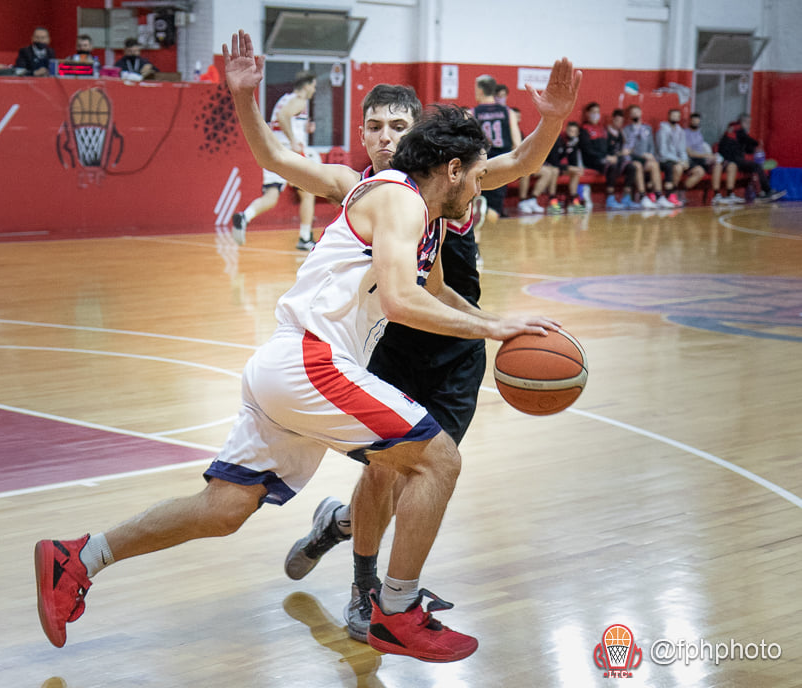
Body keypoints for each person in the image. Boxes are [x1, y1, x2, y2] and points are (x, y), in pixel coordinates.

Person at [36, 97, 564, 662]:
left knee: (223, 509)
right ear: (454, 169)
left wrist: (499, 326)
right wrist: (494, 328)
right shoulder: (399, 197)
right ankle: (397, 610)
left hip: (286, 369)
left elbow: (431, 290)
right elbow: (400, 298)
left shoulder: (423, 219)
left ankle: (79, 557)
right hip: (311, 364)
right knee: (438, 460)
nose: (484, 183)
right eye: (479, 173)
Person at [219, 30, 581, 643]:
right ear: (363, 135)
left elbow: (520, 165)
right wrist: (246, 101)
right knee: (391, 470)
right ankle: (371, 589)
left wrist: (548, 121)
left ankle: (341, 531)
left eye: (398, 126)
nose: (386, 138)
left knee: (425, 471)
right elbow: (277, 162)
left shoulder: (453, 181)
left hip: (453, 343)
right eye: (375, 126)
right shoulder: (358, 186)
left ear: (421, 137)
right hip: (385, 339)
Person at [231, 70, 319, 251]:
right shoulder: (299, 100)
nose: (314, 90)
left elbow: (282, 119)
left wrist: (304, 129)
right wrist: (294, 140)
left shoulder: (284, 99)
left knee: (271, 196)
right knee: (309, 193)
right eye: (314, 86)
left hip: (273, 151)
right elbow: (283, 117)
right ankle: (305, 237)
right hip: (288, 154)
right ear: (307, 85)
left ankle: (244, 216)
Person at [472, 74, 521, 221]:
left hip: (480, 163)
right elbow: (517, 143)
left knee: (477, 202)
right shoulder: (508, 112)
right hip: (502, 162)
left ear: (480, 90)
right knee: (494, 207)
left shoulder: (473, 113)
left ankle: (478, 237)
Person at [717, 113, 786, 202]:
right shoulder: (736, 128)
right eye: (748, 122)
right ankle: (768, 191)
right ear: (743, 122)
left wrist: (754, 150)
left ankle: (761, 193)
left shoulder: (738, 133)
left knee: (755, 167)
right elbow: (747, 140)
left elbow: (746, 147)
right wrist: (757, 144)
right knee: (756, 166)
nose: (749, 125)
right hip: (731, 159)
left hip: (736, 158)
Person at [621, 104, 670, 208]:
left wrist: (651, 156)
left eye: (637, 112)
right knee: (637, 165)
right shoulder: (626, 130)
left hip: (646, 158)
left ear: (641, 113)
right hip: (633, 158)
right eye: (633, 113)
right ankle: (643, 197)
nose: (635, 114)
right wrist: (641, 154)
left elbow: (651, 145)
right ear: (629, 115)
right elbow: (627, 149)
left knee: (654, 164)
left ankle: (659, 196)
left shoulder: (647, 128)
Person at [684, 113, 735, 205]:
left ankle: (716, 195)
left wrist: (711, 157)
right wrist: (707, 156)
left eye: (697, 121)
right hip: (692, 160)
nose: (696, 122)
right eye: (694, 120)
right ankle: (680, 194)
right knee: (700, 171)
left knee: (718, 165)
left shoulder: (699, 133)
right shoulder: (686, 133)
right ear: (690, 121)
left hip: (703, 160)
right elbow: (690, 153)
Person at [655, 108, 690, 206]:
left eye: (677, 116)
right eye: (673, 115)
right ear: (668, 116)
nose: (675, 118)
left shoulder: (680, 131)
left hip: (676, 160)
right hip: (662, 159)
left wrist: (684, 160)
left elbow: (682, 149)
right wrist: (679, 160)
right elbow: (662, 151)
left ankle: (671, 194)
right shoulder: (662, 130)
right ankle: (668, 195)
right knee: (673, 166)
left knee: (679, 168)